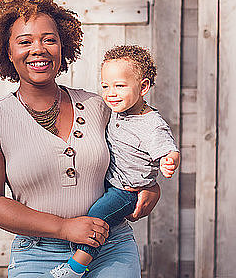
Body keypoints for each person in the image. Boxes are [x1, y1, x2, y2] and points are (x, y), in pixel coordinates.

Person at [0, 0, 161, 277]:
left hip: (110, 247)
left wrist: (150, 186)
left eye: (49, 40)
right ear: (7, 50)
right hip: (37, 254)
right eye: (24, 41)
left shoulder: (99, 106)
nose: (38, 50)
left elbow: (139, 147)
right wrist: (63, 227)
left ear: (63, 45)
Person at [48, 45, 180, 277]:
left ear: (143, 87)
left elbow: (168, 149)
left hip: (126, 191)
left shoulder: (151, 124)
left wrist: (169, 161)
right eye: (106, 86)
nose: (111, 93)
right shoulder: (116, 111)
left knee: (98, 216)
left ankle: (76, 267)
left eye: (120, 86)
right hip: (111, 182)